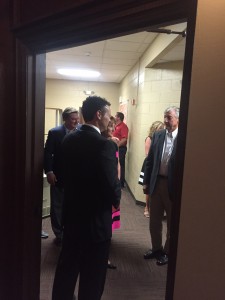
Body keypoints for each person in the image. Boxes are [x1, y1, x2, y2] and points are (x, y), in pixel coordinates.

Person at [52, 96, 121, 300]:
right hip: (96, 224)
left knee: (67, 271)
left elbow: (62, 179)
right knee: (93, 277)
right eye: (109, 114)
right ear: (98, 115)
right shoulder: (105, 146)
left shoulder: (68, 139)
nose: (110, 119)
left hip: (72, 218)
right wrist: (116, 195)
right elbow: (112, 188)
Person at [143, 106, 179, 266]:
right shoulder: (157, 135)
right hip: (157, 183)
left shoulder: (184, 137)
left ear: (178, 119)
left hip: (173, 187)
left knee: (172, 222)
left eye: (169, 117)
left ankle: (167, 251)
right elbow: (149, 160)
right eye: (164, 117)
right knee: (154, 220)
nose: (165, 121)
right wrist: (145, 181)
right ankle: (156, 248)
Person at [44, 107, 79, 246]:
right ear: (64, 119)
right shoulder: (55, 132)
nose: (76, 121)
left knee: (73, 206)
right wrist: (49, 172)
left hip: (76, 178)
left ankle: (71, 231)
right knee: (58, 206)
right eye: (72, 119)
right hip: (59, 176)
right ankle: (59, 234)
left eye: (77, 118)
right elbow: (48, 154)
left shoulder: (81, 131)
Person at [138, 121, 164, 217]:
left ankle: (154, 209)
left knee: (156, 188)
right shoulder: (149, 138)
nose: (162, 130)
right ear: (155, 129)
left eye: (163, 128)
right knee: (148, 188)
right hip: (150, 166)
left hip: (158, 166)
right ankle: (146, 208)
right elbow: (148, 155)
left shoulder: (163, 139)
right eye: (160, 128)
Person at [112, 112, 129, 188]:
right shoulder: (116, 126)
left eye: (115, 116)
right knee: (116, 163)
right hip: (116, 149)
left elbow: (124, 139)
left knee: (120, 164)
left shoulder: (123, 126)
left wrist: (117, 146)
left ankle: (121, 183)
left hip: (120, 149)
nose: (114, 117)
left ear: (118, 118)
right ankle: (116, 180)